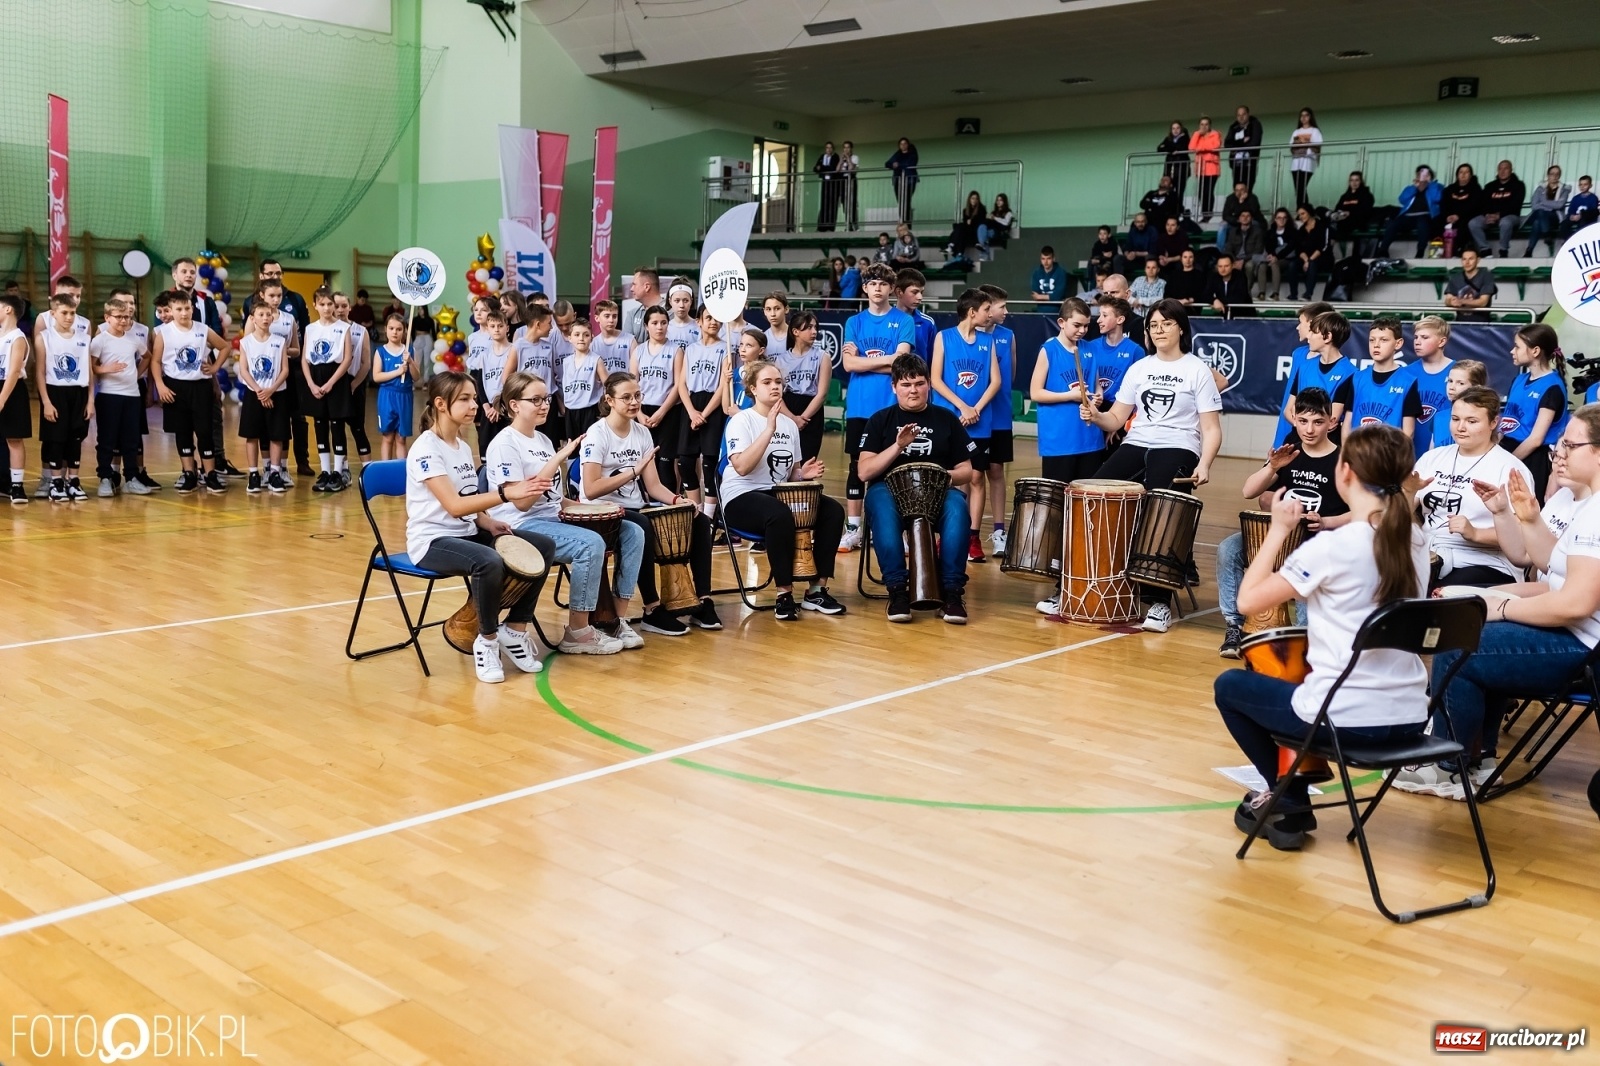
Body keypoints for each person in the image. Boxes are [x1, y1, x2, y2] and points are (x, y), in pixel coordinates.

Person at [1217, 424, 1430, 850]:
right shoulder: (1416, 538)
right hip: (1410, 716)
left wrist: (1278, 529)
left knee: (1232, 686)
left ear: (1345, 473)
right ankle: (1288, 797)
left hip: (1348, 720)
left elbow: (1248, 602)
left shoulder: (1335, 546)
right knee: (1301, 684)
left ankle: (1290, 795)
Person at [1396, 405, 1600, 800]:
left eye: (1570, 446)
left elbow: (1574, 603)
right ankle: (1479, 761)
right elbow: (1547, 569)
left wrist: (1500, 607)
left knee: (1460, 644)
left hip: (1585, 651)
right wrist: (1525, 521)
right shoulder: (1585, 505)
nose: (1558, 454)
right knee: (1473, 627)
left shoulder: (1596, 513)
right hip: (1575, 635)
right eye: (1560, 445)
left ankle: (1447, 766)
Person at [1082, 300, 1224, 632]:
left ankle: (1158, 601)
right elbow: (1116, 418)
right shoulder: (1140, 368)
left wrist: (1205, 464)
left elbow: (1212, 429)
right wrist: (1095, 415)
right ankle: (1088, 583)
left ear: (1181, 329)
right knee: (1092, 494)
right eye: (1153, 325)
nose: (1159, 330)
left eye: (1166, 323)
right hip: (1137, 441)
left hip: (1179, 445)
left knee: (1163, 510)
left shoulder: (1197, 370)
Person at [405, 372, 554, 683]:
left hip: (467, 532)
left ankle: (514, 630)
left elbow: (470, 501)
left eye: (474, 397)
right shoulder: (426, 448)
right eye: (465, 399)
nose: (474, 404)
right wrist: (504, 493)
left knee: (541, 545)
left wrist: (489, 521)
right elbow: (455, 506)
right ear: (440, 404)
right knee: (488, 562)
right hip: (432, 541)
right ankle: (485, 641)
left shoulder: (460, 444)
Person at [487, 371, 640, 655]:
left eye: (545, 398)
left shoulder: (543, 440)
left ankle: (615, 619)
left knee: (632, 531)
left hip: (551, 518)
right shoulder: (504, 444)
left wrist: (596, 508)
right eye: (535, 399)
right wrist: (557, 459)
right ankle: (578, 631)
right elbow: (521, 504)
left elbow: (556, 501)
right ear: (513, 405)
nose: (544, 404)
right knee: (590, 544)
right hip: (520, 525)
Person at [1216, 387, 1350, 657]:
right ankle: (1234, 626)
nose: (1309, 429)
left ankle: (1302, 641)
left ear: (1331, 422)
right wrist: (1273, 467)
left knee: (1306, 621)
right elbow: (1248, 491)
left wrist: (1325, 521)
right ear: (1294, 419)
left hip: (1318, 543)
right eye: (1303, 421)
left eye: (1317, 422)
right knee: (1228, 550)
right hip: (1278, 537)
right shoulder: (1289, 454)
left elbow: (1360, 512)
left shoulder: (1344, 461)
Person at [581, 371, 719, 635]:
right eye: (626, 397)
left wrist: (680, 501)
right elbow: (591, 489)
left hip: (635, 508)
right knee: (642, 525)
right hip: (601, 512)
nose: (634, 402)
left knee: (700, 520)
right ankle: (652, 609)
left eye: (637, 396)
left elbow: (654, 486)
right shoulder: (597, 434)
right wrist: (632, 472)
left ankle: (703, 601)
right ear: (609, 400)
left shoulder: (642, 433)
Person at [721, 359, 847, 620]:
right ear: (753, 389)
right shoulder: (741, 421)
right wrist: (769, 428)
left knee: (832, 510)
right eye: (767, 382)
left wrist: (803, 475)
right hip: (740, 496)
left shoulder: (789, 425)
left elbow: (791, 476)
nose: (775, 386)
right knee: (779, 514)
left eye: (778, 381)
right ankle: (784, 594)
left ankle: (816, 590)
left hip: (777, 495)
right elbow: (742, 467)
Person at [858, 354, 979, 624]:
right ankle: (898, 592)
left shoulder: (946, 419)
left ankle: (951, 594)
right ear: (894, 387)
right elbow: (864, 472)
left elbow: (967, 470)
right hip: (888, 490)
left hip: (937, 491)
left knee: (958, 508)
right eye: (906, 384)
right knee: (882, 510)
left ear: (929, 386)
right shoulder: (880, 420)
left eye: (919, 383)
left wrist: (941, 477)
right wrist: (898, 446)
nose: (913, 390)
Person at [1414, 385, 1531, 590]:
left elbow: (1526, 535)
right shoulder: (1432, 458)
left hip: (1485, 560)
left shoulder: (1510, 468)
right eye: (1456, 419)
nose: (1460, 427)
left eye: (1472, 421)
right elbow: (1401, 513)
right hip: (1429, 552)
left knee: (1439, 596)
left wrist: (1475, 533)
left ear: (1493, 422)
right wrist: (1405, 492)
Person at [839, 263, 915, 551]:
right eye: (872, 284)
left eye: (883, 284)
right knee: (857, 467)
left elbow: (902, 363)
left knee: (895, 466)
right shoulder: (855, 322)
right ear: (865, 288)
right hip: (859, 406)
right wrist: (887, 360)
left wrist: (865, 364)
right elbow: (848, 364)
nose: (878, 288)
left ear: (891, 288)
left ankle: (896, 530)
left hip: (890, 407)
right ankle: (855, 528)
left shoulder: (903, 321)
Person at [930, 290, 1001, 563]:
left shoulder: (988, 340)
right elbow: (935, 379)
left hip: (979, 421)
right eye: (986, 309)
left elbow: (995, 380)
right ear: (973, 312)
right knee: (948, 477)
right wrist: (962, 407)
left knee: (976, 477)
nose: (989, 313)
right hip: (950, 419)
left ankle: (971, 536)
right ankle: (945, 535)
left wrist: (976, 409)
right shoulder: (943, 337)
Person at [151, 289, 230, 495]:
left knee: (204, 431)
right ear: (171, 311)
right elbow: (156, 361)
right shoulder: (163, 333)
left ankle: (210, 474)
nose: (184, 313)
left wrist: (214, 368)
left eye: (187, 308)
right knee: (183, 432)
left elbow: (224, 347)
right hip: (175, 388)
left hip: (200, 386)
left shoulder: (202, 330)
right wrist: (160, 385)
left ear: (192, 308)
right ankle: (189, 473)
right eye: (179, 309)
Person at [1030, 297, 1100, 486]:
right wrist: (1071, 396)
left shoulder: (1090, 349)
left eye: (1086, 326)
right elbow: (1036, 392)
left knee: (1087, 499)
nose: (1082, 331)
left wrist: (1098, 394)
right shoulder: (1049, 350)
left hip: (1089, 438)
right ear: (1061, 322)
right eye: (1077, 325)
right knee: (1057, 499)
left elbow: (1095, 383)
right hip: (1059, 440)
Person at [1499, 323, 1568, 502]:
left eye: (1517, 346)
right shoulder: (1519, 379)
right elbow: (1506, 423)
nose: (1512, 351)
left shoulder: (1552, 386)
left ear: (1535, 351)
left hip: (1531, 458)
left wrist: (1508, 462)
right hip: (1507, 449)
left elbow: (1536, 439)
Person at [35, 293, 94, 501]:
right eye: (64, 313)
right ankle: (56, 482)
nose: (69, 317)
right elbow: (40, 372)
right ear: (53, 314)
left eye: (73, 313)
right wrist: (46, 402)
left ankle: (74, 481)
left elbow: (88, 371)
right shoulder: (44, 337)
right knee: (56, 439)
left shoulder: (84, 338)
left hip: (78, 392)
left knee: (75, 439)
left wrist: (90, 400)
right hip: (55, 392)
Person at [675, 306, 728, 517]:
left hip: (713, 406)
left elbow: (724, 385)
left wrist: (703, 414)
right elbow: (681, 385)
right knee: (685, 461)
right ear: (699, 321)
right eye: (708, 318)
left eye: (716, 318)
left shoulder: (726, 348)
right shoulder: (691, 349)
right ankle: (696, 510)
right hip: (691, 405)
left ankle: (709, 516)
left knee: (709, 463)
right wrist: (692, 412)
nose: (713, 322)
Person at [299, 288, 353, 491]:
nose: (327, 308)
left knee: (337, 424)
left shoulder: (343, 328)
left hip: (336, 377)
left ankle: (338, 472)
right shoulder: (311, 329)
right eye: (322, 304)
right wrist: (311, 384)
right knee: (319, 424)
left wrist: (331, 383)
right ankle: (325, 471)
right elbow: (305, 359)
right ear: (315, 305)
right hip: (316, 377)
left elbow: (347, 358)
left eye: (330, 304)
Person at [977, 283, 1017, 561]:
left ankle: (999, 532)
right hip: (973, 416)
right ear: (986, 308)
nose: (1006, 311)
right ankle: (969, 533)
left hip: (999, 415)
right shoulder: (965, 337)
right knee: (971, 474)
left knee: (996, 470)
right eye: (1002, 306)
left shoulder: (1007, 336)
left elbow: (1010, 375)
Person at [236, 298, 291, 494]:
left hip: (277, 393)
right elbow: (243, 369)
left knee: (277, 435)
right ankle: (253, 474)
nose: (266, 318)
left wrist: (271, 390)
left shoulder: (279, 341)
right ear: (253, 318)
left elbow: (285, 370)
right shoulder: (246, 342)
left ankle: (274, 472)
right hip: (254, 394)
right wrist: (259, 391)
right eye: (261, 314)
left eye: (269, 314)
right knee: (252, 435)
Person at [1334, 316, 1420, 441]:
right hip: (1358, 454)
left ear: (1398, 343)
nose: (1376, 345)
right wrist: (1346, 454)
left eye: (1384, 340)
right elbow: (1347, 423)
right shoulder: (1356, 378)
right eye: (1372, 340)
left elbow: (1408, 432)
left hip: (1389, 456)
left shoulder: (1408, 381)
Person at [631, 305, 682, 490]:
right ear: (646, 326)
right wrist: (639, 414)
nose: (659, 327)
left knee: (666, 464)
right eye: (654, 323)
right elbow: (632, 385)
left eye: (663, 323)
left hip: (668, 411)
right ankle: (647, 506)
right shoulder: (638, 351)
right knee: (644, 462)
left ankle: (669, 510)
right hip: (643, 412)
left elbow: (678, 385)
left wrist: (661, 412)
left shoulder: (676, 350)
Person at [1283, 310, 1356, 432]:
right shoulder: (1304, 367)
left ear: (1327, 337)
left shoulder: (1350, 373)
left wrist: (1303, 423)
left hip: (1329, 444)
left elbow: (1332, 420)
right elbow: (1288, 410)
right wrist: (1306, 428)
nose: (1309, 336)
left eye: (1313, 332)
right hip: (1298, 440)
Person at [774, 309, 829, 462]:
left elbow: (822, 394)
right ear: (796, 331)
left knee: (807, 460)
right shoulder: (780, 361)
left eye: (815, 327)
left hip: (811, 412)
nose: (814, 331)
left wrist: (803, 418)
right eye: (809, 327)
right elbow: (777, 395)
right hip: (787, 409)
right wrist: (792, 418)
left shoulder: (822, 357)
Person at [334, 292, 374, 478]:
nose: (340, 310)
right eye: (337, 306)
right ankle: (343, 468)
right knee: (337, 427)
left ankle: (368, 469)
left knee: (358, 427)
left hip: (354, 382)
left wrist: (355, 384)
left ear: (350, 307)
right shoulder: (328, 330)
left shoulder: (360, 331)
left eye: (344, 306)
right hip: (335, 383)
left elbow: (366, 362)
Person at [0, 294, 33, 505]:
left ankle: (17, 486)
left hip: (11, 389)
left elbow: (13, 371)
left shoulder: (18, 337)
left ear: (8, 310)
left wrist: (2, 399)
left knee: (14, 439)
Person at [373, 312, 418, 461]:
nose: (395, 332)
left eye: (399, 329)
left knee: (401, 438)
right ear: (385, 329)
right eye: (391, 328)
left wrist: (410, 362)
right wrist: (397, 371)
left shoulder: (409, 351)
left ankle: (400, 472)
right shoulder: (380, 352)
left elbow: (417, 377)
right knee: (387, 437)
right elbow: (377, 376)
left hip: (405, 396)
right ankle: (386, 470)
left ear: (404, 331)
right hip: (387, 395)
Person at [1408, 315, 1455, 458]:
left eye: (1424, 337)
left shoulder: (1459, 372)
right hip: (1411, 451)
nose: (1417, 342)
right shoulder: (1406, 373)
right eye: (1416, 337)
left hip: (1446, 450)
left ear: (1442, 341)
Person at [1377, 165, 1442, 258]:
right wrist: (1414, 187)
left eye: (1425, 174)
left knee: (1422, 223)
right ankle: (1383, 250)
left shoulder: (1436, 186)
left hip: (1425, 215)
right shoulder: (1411, 188)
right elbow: (1402, 199)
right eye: (1420, 174)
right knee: (1394, 223)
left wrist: (1430, 183)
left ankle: (1420, 251)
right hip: (1408, 215)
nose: (1422, 176)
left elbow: (1437, 198)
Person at [1469, 159, 1526, 258]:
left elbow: (1515, 205)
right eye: (1500, 169)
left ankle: (1503, 250)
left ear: (1511, 170)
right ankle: (1485, 249)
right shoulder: (1490, 186)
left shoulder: (1518, 185)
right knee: (1473, 223)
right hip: (1490, 216)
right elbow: (1483, 203)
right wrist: (1487, 214)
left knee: (1505, 222)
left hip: (1511, 216)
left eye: (1506, 168)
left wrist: (1499, 215)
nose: (1503, 171)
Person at [1525, 165, 1572, 257]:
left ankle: (1529, 250)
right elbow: (1534, 205)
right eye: (1552, 174)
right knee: (1539, 216)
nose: (1554, 176)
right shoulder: (1540, 189)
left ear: (1559, 176)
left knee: (1539, 218)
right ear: (1548, 175)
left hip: (1555, 217)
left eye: (1557, 174)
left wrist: (1543, 203)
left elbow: (1560, 205)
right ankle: (1546, 235)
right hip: (1541, 215)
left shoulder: (1564, 189)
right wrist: (1551, 206)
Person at [1439, 164, 1483, 254]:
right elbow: (1443, 205)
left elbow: (1474, 206)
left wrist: (1459, 216)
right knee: (1436, 222)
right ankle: (1438, 250)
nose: (1463, 174)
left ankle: (1459, 250)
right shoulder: (1449, 189)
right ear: (1457, 175)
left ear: (1470, 175)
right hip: (1450, 217)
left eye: (1466, 172)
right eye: (1461, 172)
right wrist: (1447, 216)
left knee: (1464, 224)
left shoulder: (1476, 189)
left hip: (1466, 216)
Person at [1289, 205, 1330, 302]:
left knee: (1312, 264)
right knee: (1292, 265)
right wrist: (1306, 260)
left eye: (1303, 213)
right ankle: (1293, 294)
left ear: (1310, 213)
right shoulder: (1301, 230)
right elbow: (1299, 249)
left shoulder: (1322, 227)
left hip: (1322, 258)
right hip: (1306, 259)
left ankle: (1308, 294)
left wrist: (1310, 260)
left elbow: (1324, 246)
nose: (1301, 217)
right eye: (1299, 215)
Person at [1443, 248, 1497, 322]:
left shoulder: (1486, 276)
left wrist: (1462, 301)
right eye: (1464, 259)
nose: (1467, 262)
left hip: (1481, 323)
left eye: (1471, 259)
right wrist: (1451, 302)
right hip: (1460, 321)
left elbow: (1483, 302)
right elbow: (1447, 300)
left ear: (1478, 260)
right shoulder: (1455, 277)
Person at [1329, 171, 1375, 256]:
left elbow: (1365, 211)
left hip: (1356, 221)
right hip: (1341, 219)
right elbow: (1338, 208)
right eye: (1352, 180)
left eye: (1356, 180)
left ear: (1361, 181)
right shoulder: (1344, 196)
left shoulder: (1366, 195)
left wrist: (1349, 213)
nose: (1354, 183)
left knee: (1338, 225)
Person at [1188, 117, 1222, 221]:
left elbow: (1215, 146)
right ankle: (1204, 213)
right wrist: (1197, 134)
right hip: (1200, 169)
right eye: (1202, 124)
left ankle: (1208, 213)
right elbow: (1191, 147)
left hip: (1212, 168)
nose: (1204, 126)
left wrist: (1201, 148)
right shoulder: (1197, 135)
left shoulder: (1215, 134)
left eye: (1206, 124)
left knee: (1208, 191)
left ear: (1210, 125)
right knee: (1201, 192)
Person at [1256, 207, 1294, 300]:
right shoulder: (1270, 233)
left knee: (1274, 264)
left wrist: (1276, 257)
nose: (1282, 220)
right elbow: (1268, 247)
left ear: (1287, 219)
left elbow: (1290, 248)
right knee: (1262, 265)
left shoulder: (1293, 232)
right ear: (1275, 219)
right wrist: (1272, 255)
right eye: (1279, 218)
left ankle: (1275, 293)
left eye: (1284, 218)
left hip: (1286, 259)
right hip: (1273, 257)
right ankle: (1262, 293)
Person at [1215, 183, 1263, 254]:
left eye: (1241, 190)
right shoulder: (1230, 198)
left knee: (1256, 225)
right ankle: (1220, 253)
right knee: (1222, 226)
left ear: (1246, 190)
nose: (1239, 192)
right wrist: (1237, 221)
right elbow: (1225, 215)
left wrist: (1241, 202)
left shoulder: (1253, 198)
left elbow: (1252, 213)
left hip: (1250, 222)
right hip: (1235, 222)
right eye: (1237, 190)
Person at [1288, 107, 1322, 206]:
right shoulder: (1296, 131)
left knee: (1301, 187)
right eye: (1301, 116)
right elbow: (1292, 146)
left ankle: (1302, 210)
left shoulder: (1314, 131)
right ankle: (1303, 209)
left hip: (1307, 162)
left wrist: (1305, 143)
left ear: (1310, 117)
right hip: (1296, 163)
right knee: (1298, 189)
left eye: (1306, 115)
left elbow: (1317, 146)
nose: (1303, 118)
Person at [1225, 104, 1264, 191]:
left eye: (1243, 114)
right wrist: (1242, 141)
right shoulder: (1233, 127)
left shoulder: (1255, 125)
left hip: (1249, 162)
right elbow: (1227, 144)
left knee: (1247, 189)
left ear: (1248, 114)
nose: (1241, 117)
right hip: (1236, 163)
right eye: (1239, 115)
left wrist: (1236, 147)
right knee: (1236, 188)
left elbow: (1254, 143)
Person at [1204, 252, 1254, 317]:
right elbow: (1205, 295)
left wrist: (1219, 301)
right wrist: (1214, 300)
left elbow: (1240, 298)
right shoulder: (1213, 277)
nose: (1223, 269)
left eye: (1226, 266)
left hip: (1244, 316)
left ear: (1233, 265)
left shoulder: (1240, 276)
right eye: (1220, 266)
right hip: (1224, 315)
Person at [945, 191, 987, 259]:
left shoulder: (981, 209)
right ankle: (958, 253)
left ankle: (951, 245)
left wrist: (971, 221)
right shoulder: (965, 210)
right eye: (972, 198)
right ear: (969, 199)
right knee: (960, 229)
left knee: (960, 228)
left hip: (975, 232)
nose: (974, 200)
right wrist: (967, 222)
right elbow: (965, 223)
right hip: (967, 231)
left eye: (976, 198)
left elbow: (981, 223)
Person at [886, 137, 919, 223]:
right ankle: (902, 221)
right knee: (900, 202)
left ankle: (907, 223)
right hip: (898, 180)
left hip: (909, 180)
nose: (903, 146)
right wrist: (893, 165)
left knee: (907, 201)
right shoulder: (898, 154)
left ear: (908, 145)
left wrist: (898, 165)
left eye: (905, 144)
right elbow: (887, 163)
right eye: (901, 144)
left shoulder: (912, 154)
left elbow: (910, 164)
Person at [1157, 121, 1191, 203]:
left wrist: (1169, 147)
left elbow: (1182, 147)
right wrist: (1172, 149)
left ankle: (1178, 209)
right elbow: (1159, 148)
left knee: (1179, 191)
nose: (1175, 130)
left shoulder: (1185, 138)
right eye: (1173, 128)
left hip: (1181, 169)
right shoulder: (1168, 139)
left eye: (1178, 128)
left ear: (1181, 129)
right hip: (1169, 169)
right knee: (1168, 190)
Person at [1029, 247, 1068, 315]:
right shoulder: (1036, 273)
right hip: (1040, 312)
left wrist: (1040, 296)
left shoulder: (1061, 273)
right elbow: (1035, 295)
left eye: (1048, 258)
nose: (1045, 262)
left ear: (1053, 259)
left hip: (1057, 312)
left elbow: (1058, 296)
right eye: (1043, 259)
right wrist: (1051, 297)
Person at [839, 140, 861, 230]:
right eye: (844, 147)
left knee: (852, 203)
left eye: (848, 147)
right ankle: (847, 224)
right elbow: (838, 170)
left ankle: (854, 224)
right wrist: (841, 160)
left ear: (851, 148)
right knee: (845, 203)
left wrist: (848, 158)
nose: (846, 149)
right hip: (843, 181)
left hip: (851, 180)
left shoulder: (855, 157)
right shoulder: (842, 158)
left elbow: (852, 168)